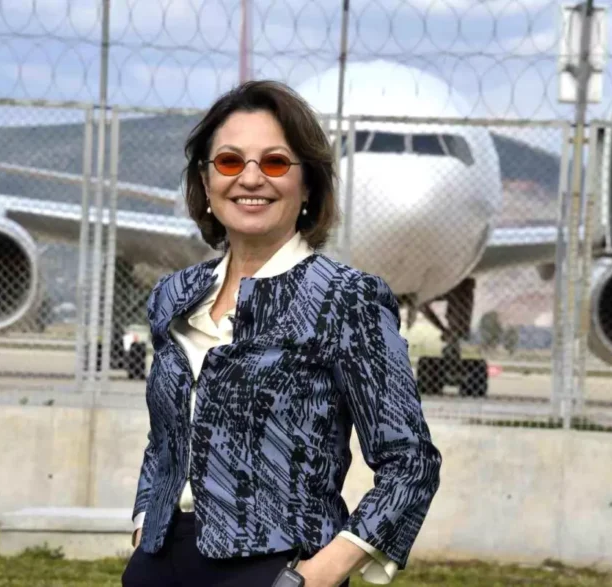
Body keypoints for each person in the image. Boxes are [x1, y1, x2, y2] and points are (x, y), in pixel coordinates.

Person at [121, 79, 442, 587]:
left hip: (277, 568)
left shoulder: (345, 298)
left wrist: (316, 575)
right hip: (161, 563)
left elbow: (411, 463)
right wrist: (145, 522)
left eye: (274, 163)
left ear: (308, 184)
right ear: (206, 181)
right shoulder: (174, 295)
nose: (250, 178)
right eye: (229, 161)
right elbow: (166, 438)